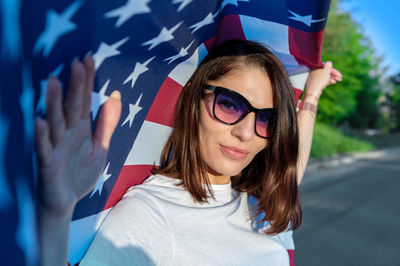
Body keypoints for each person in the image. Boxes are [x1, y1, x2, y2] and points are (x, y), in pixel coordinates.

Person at [35, 39, 342, 265]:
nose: (246, 133)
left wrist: (312, 94)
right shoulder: (151, 215)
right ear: (195, 101)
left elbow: (291, 168)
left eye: (267, 119)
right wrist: (56, 216)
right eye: (230, 104)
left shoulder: (260, 205)